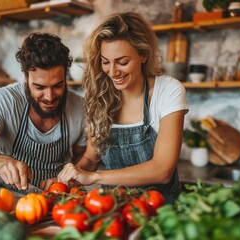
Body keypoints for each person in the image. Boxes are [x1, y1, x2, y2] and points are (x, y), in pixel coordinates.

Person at [57, 12, 188, 202]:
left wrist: (94, 177)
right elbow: (91, 158)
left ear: (143, 55)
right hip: (114, 210)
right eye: (105, 61)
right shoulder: (99, 97)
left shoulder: (167, 91)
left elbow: (163, 170)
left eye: (122, 62)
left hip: (162, 210)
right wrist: (68, 178)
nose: (112, 71)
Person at [0, 33, 86, 193]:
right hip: (13, 198)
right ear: (25, 76)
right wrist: (2, 163)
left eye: (58, 86)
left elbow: (83, 159)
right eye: (39, 87)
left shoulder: (80, 107)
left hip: (59, 195)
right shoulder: (4, 100)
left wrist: (70, 179)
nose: (49, 96)